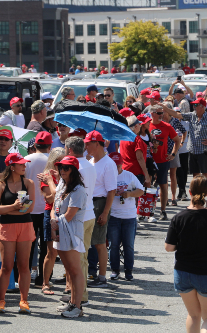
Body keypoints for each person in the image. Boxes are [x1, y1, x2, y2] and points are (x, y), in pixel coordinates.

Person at [164, 176, 207, 333]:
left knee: (193, 314)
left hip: (183, 272)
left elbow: (169, 247)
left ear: (189, 192)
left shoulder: (178, 218)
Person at [0, 153, 35, 314]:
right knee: (7, 266)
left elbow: (28, 209)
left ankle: (24, 301)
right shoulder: (0, 185)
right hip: (6, 227)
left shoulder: (29, 183)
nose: (24, 166)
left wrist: (9, 210)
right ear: (12, 166)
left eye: (24, 163)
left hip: (25, 226)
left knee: (23, 265)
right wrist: (14, 207)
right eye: (21, 164)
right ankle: (0, 301)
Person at [60, 137, 96, 306]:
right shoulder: (91, 164)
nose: (62, 170)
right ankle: (78, 296)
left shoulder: (76, 167)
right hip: (88, 215)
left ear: (70, 150)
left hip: (77, 218)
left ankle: (80, 298)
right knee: (82, 260)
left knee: (77, 262)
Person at [51, 155, 87, 318]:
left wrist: (54, 221)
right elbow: (54, 206)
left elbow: (70, 215)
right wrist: (53, 219)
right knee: (69, 270)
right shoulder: (61, 184)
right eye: (61, 167)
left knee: (75, 270)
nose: (62, 170)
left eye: (66, 168)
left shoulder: (78, 189)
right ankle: (72, 303)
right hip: (60, 230)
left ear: (74, 170)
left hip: (72, 233)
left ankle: (77, 306)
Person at [163, 99, 207, 210]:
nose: (194, 107)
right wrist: (164, 108)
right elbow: (177, 114)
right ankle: (196, 201)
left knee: (206, 176)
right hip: (192, 151)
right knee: (195, 177)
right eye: (194, 105)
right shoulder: (192, 115)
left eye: (196, 105)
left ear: (202, 106)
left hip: (203, 151)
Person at [84, 131, 117, 288]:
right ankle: (95, 274)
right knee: (92, 241)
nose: (85, 146)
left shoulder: (108, 164)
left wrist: (105, 212)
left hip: (100, 203)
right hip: (91, 202)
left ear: (97, 143)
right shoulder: (91, 161)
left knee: (99, 242)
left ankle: (102, 277)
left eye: (88, 143)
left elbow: (112, 191)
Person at [106, 152, 144, 281]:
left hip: (129, 216)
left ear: (122, 164)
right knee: (113, 245)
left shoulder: (129, 175)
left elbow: (141, 190)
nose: (116, 168)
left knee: (129, 245)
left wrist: (129, 194)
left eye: (118, 165)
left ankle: (129, 271)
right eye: (113, 165)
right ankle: (115, 270)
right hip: (113, 216)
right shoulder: (107, 176)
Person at [24, 131, 52, 288]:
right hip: (47, 207)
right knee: (46, 245)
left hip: (30, 207)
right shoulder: (52, 160)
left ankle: (25, 275)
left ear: (35, 145)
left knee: (29, 245)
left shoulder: (26, 160)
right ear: (50, 146)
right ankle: (43, 278)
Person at [36, 147, 65, 296]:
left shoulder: (66, 175)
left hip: (65, 213)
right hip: (50, 213)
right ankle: (45, 283)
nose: (60, 165)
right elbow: (52, 198)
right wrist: (56, 185)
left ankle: (69, 284)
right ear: (52, 162)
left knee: (67, 250)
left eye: (62, 161)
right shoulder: (46, 176)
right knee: (51, 251)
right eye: (58, 161)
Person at [148, 106, 181, 219]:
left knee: (163, 185)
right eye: (158, 113)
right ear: (152, 114)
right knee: (148, 185)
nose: (161, 115)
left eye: (162, 113)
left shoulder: (167, 126)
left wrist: (173, 154)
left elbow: (177, 140)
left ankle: (163, 211)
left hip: (163, 160)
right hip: (149, 161)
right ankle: (147, 210)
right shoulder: (147, 125)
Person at [120, 115, 152, 187]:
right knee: (135, 196)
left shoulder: (123, 138)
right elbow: (140, 158)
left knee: (127, 195)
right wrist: (146, 175)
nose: (140, 126)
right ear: (135, 127)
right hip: (136, 172)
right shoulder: (137, 139)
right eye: (139, 125)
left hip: (125, 170)